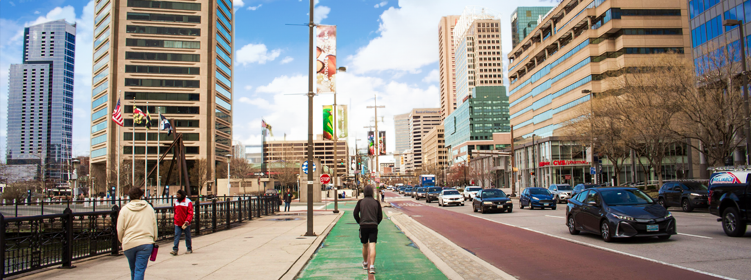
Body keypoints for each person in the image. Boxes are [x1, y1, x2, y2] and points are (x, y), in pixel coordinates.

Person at [117, 187, 157, 280]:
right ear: (141, 196)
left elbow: (120, 228)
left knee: (133, 269)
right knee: (140, 270)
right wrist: (154, 239)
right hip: (145, 242)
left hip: (129, 243)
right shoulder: (148, 208)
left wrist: (122, 240)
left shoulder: (124, 210)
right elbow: (154, 225)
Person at [353, 185, 383, 274]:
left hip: (363, 226)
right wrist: (376, 222)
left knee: (365, 245)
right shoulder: (376, 203)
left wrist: (360, 221)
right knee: (372, 245)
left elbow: (355, 214)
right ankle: (372, 266)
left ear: (364, 192)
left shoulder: (360, 202)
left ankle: (365, 263)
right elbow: (380, 216)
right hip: (373, 226)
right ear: (372, 192)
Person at [170, 190, 193, 255]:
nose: (177, 196)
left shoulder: (188, 202)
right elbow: (175, 211)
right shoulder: (176, 202)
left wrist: (187, 220)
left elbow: (190, 212)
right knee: (177, 235)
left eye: (178, 194)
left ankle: (189, 248)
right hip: (178, 222)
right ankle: (175, 249)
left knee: (187, 236)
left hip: (185, 223)